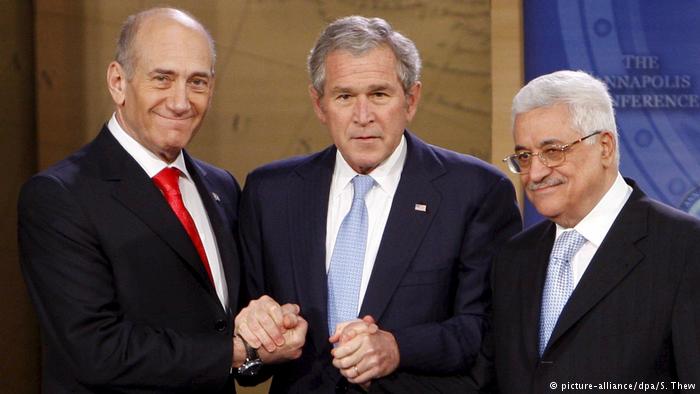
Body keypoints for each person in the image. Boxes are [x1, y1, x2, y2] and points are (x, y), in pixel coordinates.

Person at [18, 8, 304, 393]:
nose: (181, 101)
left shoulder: (221, 187)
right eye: (162, 79)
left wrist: (271, 330)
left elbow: (235, 329)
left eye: (198, 82)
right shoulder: (60, 195)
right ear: (118, 82)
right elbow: (95, 351)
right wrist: (236, 352)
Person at [235, 16, 522, 393]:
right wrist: (257, 340)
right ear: (319, 105)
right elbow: (248, 366)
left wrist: (397, 348)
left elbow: (487, 332)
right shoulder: (269, 194)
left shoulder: (476, 192)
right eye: (344, 96)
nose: (363, 116)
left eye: (379, 94)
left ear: (411, 99)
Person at [471, 70, 700, 393]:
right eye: (524, 156)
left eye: (553, 151)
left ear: (605, 146)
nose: (535, 173)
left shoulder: (685, 247)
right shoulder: (513, 259)